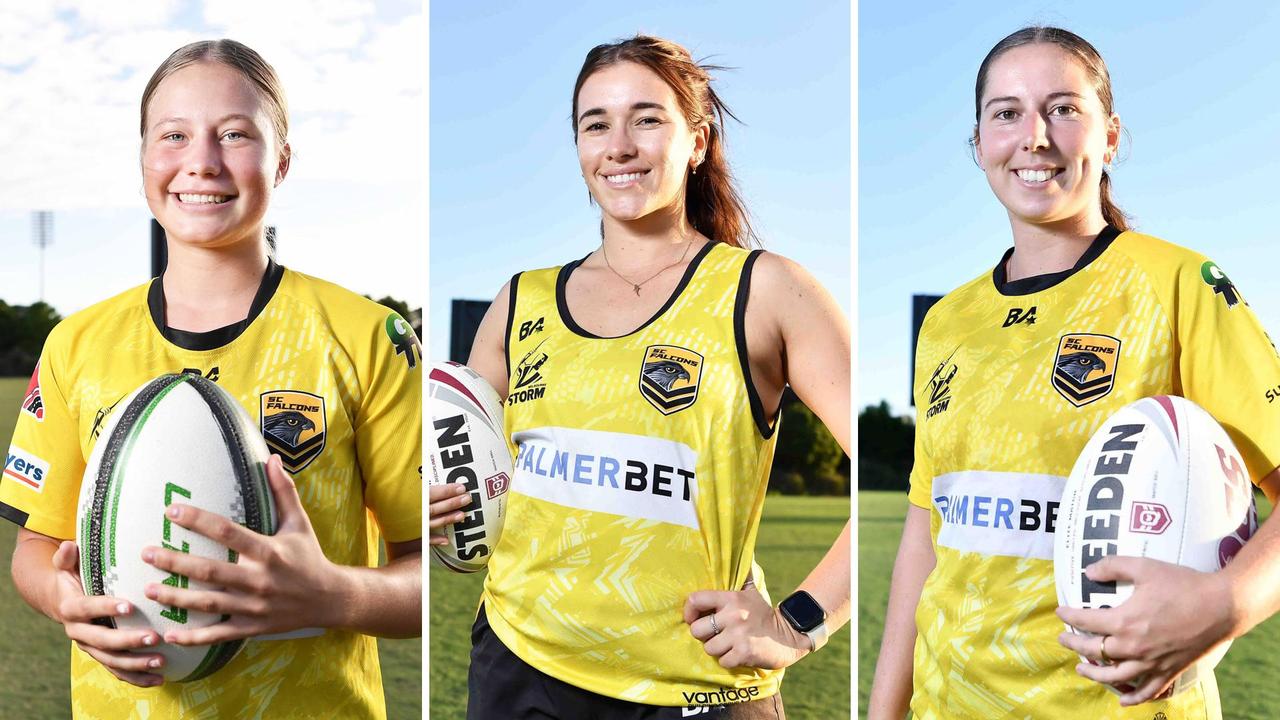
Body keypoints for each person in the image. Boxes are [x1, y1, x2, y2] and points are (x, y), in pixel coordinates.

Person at [428, 35, 851, 719]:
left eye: (647, 118)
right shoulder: (519, 302)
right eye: (596, 124)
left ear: (699, 141)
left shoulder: (766, 289)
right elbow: (466, 469)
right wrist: (438, 507)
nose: (618, 145)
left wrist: (800, 620)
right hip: (518, 666)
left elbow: (922, 478)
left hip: (696, 686)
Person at [866, 26, 1280, 720]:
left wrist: (1226, 603)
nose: (1035, 137)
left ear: (1110, 135)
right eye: (1007, 113)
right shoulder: (948, 322)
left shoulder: (1176, 283)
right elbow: (925, 532)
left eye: (1063, 108)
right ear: (978, 143)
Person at [0, 39, 422, 719]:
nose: (201, 161)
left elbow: (430, 575)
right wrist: (67, 603)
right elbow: (34, 548)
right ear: (142, 158)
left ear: (280, 161)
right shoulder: (76, 343)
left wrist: (330, 595)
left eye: (234, 134)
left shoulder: (369, 337)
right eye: (174, 135)